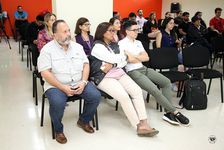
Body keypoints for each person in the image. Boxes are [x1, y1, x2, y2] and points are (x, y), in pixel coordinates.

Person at [90, 22, 159, 137]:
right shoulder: (97, 47)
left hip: (118, 72)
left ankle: (144, 122)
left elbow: (121, 62)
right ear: (102, 33)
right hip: (103, 76)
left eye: (114, 30)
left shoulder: (114, 45)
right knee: (124, 97)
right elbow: (116, 58)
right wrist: (123, 58)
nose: (114, 33)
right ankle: (138, 126)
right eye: (111, 31)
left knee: (137, 91)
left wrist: (115, 62)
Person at [37, 20, 101, 144]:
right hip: (56, 85)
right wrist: (62, 87)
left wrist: (83, 82)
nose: (69, 34)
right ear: (55, 34)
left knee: (95, 96)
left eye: (69, 30)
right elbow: (45, 73)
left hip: (78, 82)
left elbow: (86, 65)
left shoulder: (77, 47)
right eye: (64, 32)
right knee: (57, 102)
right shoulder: (47, 50)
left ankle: (83, 120)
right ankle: (58, 130)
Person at [118, 20, 190, 126]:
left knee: (166, 82)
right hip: (132, 72)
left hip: (143, 68)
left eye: (138, 29)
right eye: (134, 30)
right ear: (127, 31)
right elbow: (129, 60)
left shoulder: (138, 42)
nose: (137, 32)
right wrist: (136, 57)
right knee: (154, 90)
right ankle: (174, 112)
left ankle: (168, 113)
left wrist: (133, 56)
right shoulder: (121, 44)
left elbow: (146, 57)